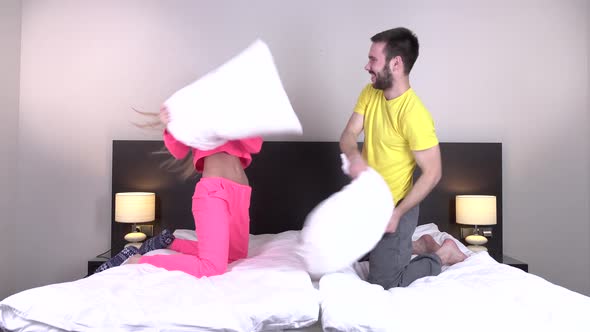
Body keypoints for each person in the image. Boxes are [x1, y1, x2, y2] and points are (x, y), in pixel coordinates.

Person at [339, 27, 466, 289]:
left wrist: (398, 213)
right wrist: (354, 156)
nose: (367, 66)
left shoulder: (414, 114)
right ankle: (417, 244)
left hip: (395, 206)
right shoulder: (370, 92)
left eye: (373, 59)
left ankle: (444, 253)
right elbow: (348, 134)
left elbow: (433, 173)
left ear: (395, 63)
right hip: (367, 202)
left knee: (385, 281)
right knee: (340, 252)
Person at [96, 106, 263, 278]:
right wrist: (170, 125)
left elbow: (255, 144)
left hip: (241, 192)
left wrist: (236, 120)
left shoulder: (234, 113)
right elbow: (178, 150)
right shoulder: (196, 116)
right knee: (212, 267)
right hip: (214, 193)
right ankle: (137, 260)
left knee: (235, 256)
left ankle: (169, 241)